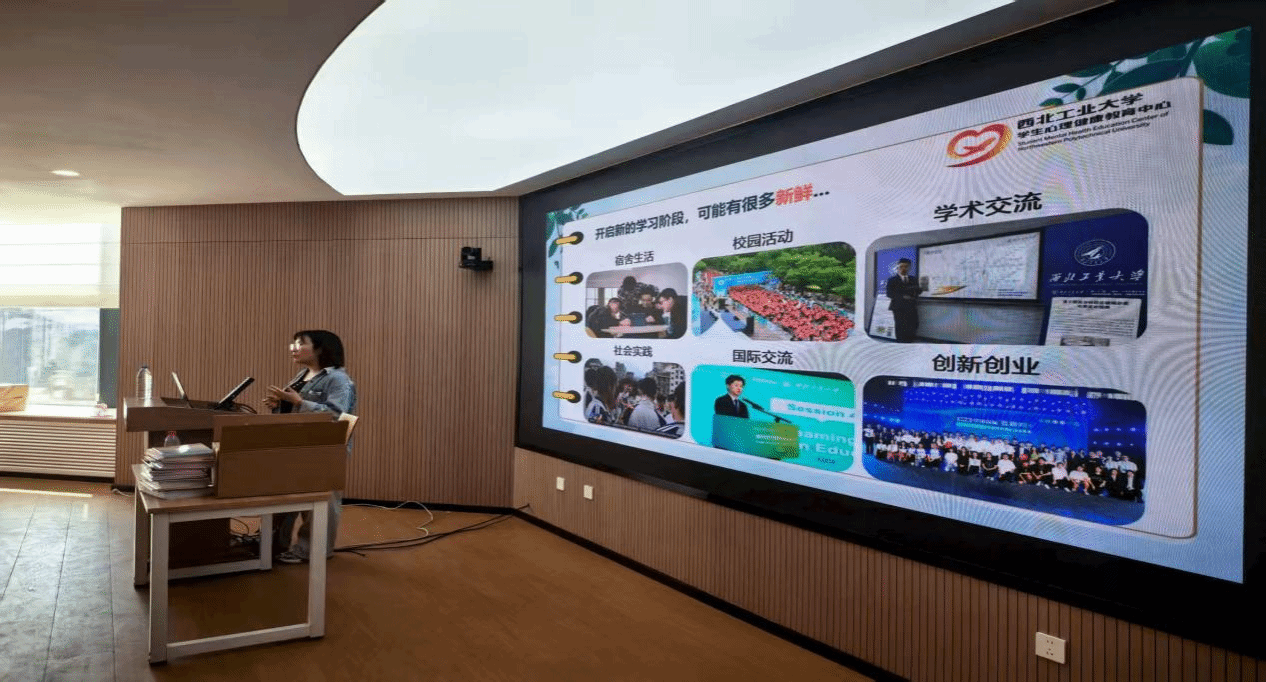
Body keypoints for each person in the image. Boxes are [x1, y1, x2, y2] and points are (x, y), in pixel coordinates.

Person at [262, 329, 357, 564]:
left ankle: (312, 551)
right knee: (286, 496)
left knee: (321, 502)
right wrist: (279, 405)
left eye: (300, 343)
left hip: (324, 449)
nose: (293, 348)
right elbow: (295, 412)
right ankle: (274, 546)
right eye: (293, 343)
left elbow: (336, 415)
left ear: (320, 348)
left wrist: (299, 402)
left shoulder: (338, 379)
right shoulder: (301, 375)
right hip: (297, 446)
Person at [885, 258, 922, 342]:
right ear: (898, 267)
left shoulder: (913, 279)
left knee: (913, 324)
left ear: (909, 267)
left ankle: (910, 341)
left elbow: (917, 292)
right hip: (898, 307)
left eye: (906, 266)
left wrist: (920, 289)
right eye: (901, 266)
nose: (903, 268)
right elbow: (889, 293)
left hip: (911, 306)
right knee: (900, 326)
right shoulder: (892, 280)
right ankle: (901, 343)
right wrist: (903, 297)